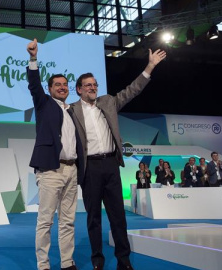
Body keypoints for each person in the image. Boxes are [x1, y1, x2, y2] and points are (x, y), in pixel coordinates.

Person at [69, 47, 166, 270]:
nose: (93, 88)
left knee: (118, 217)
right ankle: (97, 261)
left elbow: (133, 90)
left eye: (95, 84)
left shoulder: (108, 102)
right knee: (93, 218)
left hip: (111, 164)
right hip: (89, 168)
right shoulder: (71, 110)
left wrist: (150, 66)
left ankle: (124, 261)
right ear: (79, 90)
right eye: (88, 85)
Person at [26, 38, 83, 270]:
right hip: (51, 169)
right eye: (57, 84)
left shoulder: (74, 110)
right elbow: (33, 84)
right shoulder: (44, 103)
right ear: (50, 89)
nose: (62, 87)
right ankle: (43, 265)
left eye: (65, 84)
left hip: (72, 169)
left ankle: (67, 263)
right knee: (46, 221)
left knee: (68, 221)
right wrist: (33, 58)